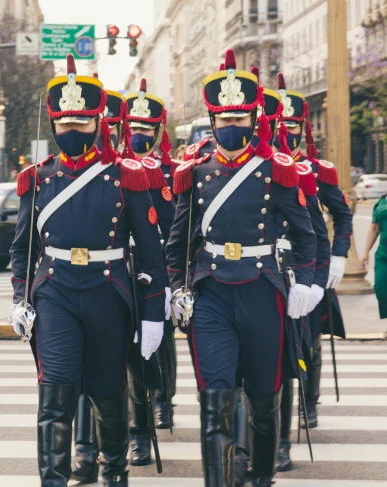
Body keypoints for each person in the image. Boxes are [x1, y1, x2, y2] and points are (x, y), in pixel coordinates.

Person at [9, 55, 166, 487]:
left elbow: (151, 252)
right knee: (55, 394)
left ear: (98, 123)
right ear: (54, 125)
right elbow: (23, 247)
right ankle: (54, 480)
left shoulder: (125, 177)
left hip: (106, 291)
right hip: (55, 291)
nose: (71, 132)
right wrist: (20, 297)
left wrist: (154, 314)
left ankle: (114, 472)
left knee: (106, 392)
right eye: (64, 124)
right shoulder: (36, 179)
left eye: (81, 124)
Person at [166, 49, 316, 487]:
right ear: (212, 121)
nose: (231, 127)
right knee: (215, 399)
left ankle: (261, 476)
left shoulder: (276, 170)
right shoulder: (194, 172)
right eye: (223, 119)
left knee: (264, 400)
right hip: (211, 291)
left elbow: (305, 235)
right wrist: (177, 287)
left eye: (239, 119)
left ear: (254, 119)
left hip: (262, 291)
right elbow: (178, 243)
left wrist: (305, 283)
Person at [276, 72, 351, 431]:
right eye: (280, 124)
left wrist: (339, 257)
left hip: (313, 263)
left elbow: (341, 216)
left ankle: (308, 402)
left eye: (292, 124)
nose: (286, 131)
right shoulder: (266, 171)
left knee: (310, 339)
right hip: (273, 265)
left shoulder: (319, 171)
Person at [71, 83, 125, 485]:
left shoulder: (131, 173)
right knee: (74, 375)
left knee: (115, 374)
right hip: (76, 280)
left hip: (121, 276)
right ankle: (84, 449)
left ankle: (136, 432)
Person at [124, 79, 176, 460]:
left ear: (159, 132)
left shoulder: (168, 172)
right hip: (117, 268)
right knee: (127, 352)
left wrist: (172, 276)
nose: (139, 134)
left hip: (155, 265)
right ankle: (130, 426)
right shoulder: (116, 169)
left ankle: (164, 400)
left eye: (146, 128)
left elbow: (176, 226)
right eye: (134, 128)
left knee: (159, 343)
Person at [361, 193, 387, 332]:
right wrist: (366, 252)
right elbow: (374, 228)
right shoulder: (381, 201)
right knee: (381, 289)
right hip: (383, 254)